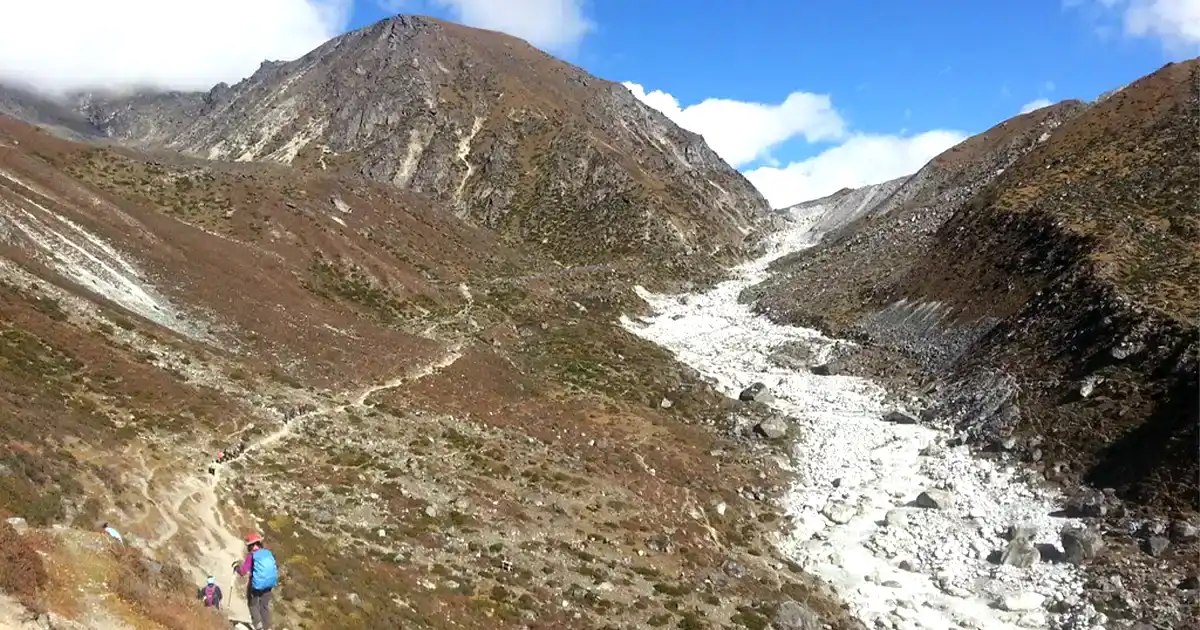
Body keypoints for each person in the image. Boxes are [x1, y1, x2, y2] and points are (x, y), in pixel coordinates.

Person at [233, 532, 277, 630]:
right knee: (264, 606)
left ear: (250, 545)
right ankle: (267, 627)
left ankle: (258, 626)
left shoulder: (251, 556)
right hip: (269, 585)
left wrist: (236, 567)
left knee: (253, 605)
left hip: (256, 585)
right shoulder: (267, 553)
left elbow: (243, 572)